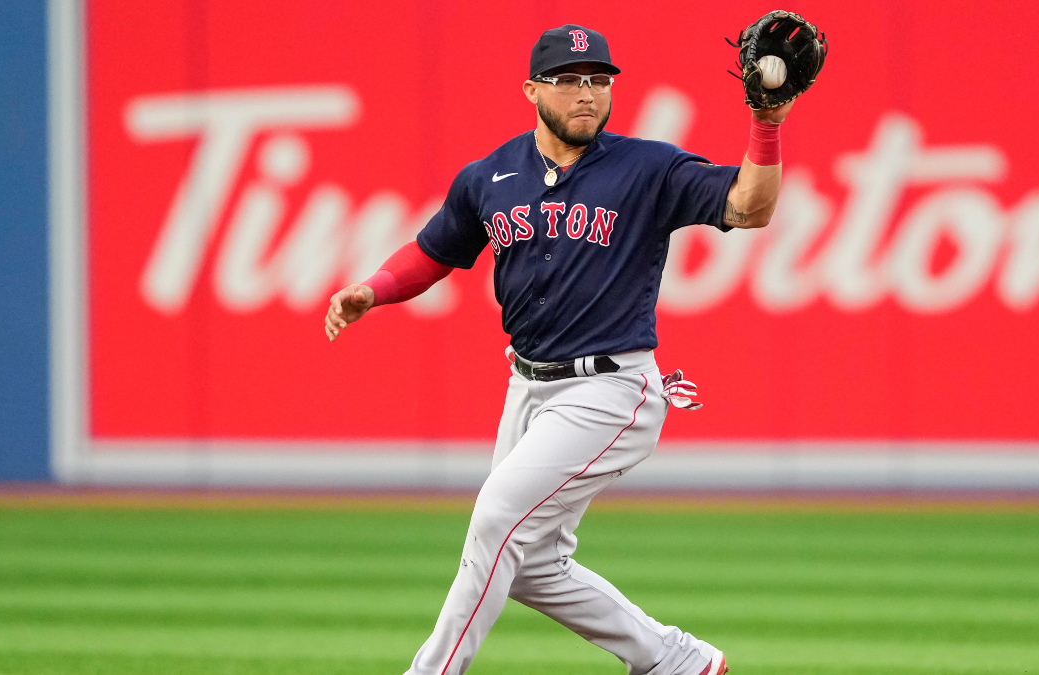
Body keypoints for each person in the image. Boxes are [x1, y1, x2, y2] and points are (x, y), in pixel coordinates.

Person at [324, 24, 793, 675]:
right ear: (532, 90)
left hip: (609, 388)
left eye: (599, 79)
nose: (587, 92)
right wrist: (372, 290)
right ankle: (676, 659)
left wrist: (766, 124)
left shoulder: (647, 168)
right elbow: (435, 251)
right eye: (569, 80)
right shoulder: (490, 176)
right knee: (528, 565)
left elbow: (749, 207)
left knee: (496, 518)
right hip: (527, 386)